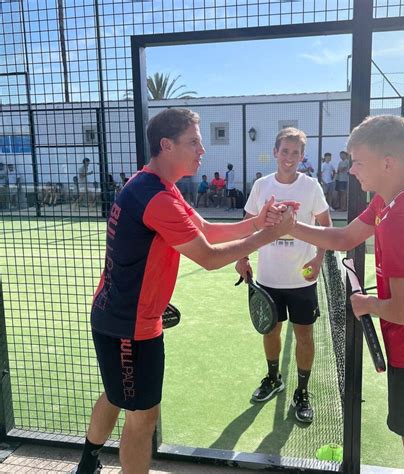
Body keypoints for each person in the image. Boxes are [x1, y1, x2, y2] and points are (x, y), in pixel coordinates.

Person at [72, 108, 296, 474]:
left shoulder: (155, 187)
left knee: (118, 395)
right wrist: (269, 234)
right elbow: (208, 256)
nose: (202, 150)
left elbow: (205, 229)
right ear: (166, 145)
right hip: (130, 327)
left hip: (119, 318)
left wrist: (257, 223)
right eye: (193, 142)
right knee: (143, 419)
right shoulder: (157, 198)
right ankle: (91, 465)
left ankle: (86, 464)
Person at [289, 115, 404, 473]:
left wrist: (365, 303)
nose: (351, 169)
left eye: (357, 161)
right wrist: (291, 227)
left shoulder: (399, 220)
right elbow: (344, 238)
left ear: (387, 162)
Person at [235, 127, 331, 424]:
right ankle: (273, 378)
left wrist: (317, 259)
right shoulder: (262, 185)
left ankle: (301, 392)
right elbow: (248, 224)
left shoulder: (311, 186)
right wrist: (242, 257)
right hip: (268, 279)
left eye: (295, 153)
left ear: (303, 157)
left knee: (304, 335)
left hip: (302, 280)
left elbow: (325, 226)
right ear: (275, 152)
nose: (289, 157)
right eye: (285, 151)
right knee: (270, 331)